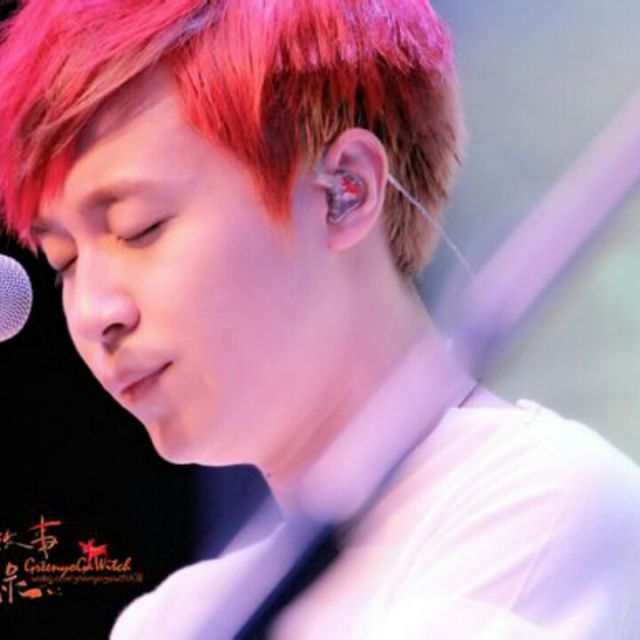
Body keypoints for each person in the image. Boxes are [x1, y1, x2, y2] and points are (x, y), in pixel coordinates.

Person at [1, 1, 639, 637]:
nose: (93, 313)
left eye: (140, 228)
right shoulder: (173, 617)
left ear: (343, 192)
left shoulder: (543, 504)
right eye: (64, 262)